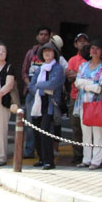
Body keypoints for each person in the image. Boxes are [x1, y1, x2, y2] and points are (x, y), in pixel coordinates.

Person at [25, 41, 65, 170]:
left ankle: (49, 160)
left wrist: (39, 86)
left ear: (54, 53)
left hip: (50, 104)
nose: (47, 53)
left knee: (45, 131)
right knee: (36, 130)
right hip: (38, 103)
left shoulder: (58, 68)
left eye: (50, 51)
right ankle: (41, 158)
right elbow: (31, 85)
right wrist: (42, 88)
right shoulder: (40, 68)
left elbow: (54, 84)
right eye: (45, 51)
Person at [74, 41, 102, 169]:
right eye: (92, 48)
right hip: (83, 103)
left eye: (97, 48)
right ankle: (86, 159)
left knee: (98, 133)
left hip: (97, 104)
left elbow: (100, 86)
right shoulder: (83, 66)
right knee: (85, 133)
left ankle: (96, 161)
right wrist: (90, 84)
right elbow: (76, 83)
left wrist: (84, 83)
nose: (94, 50)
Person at [64, 33, 91, 166]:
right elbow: (69, 77)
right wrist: (82, 76)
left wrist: (77, 75)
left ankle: (88, 155)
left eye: (85, 41)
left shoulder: (92, 59)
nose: (82, 44)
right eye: (79, 41)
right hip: (75, 97)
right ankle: (77, 154)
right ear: (75, 44)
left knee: (88, 127)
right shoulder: (73, 60)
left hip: (89, 98)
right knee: (76, 127)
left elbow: (93, 78)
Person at [21, 25, 53, 97]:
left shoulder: (53, 54)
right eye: (41, 34)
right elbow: (24, 72)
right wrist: (30, 86)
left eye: (46, 35)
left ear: (49, 37)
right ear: (37, 37)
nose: (43, 37)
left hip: (46, 91)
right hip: (30, 90)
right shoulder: (30, 53)